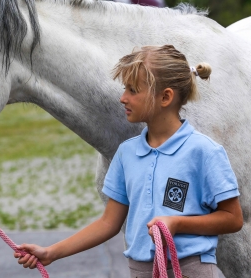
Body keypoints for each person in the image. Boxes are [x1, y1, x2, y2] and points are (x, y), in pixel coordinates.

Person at [14, 45, 243, 277]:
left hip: (191, 270)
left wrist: (178, 223)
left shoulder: (205, 152)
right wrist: (51, 252)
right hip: (139, 270)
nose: (123, 98)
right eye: (125, 89)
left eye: (133, 90)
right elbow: (108, 223)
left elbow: (233, 219)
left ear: (165, 97)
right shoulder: (126, 154)